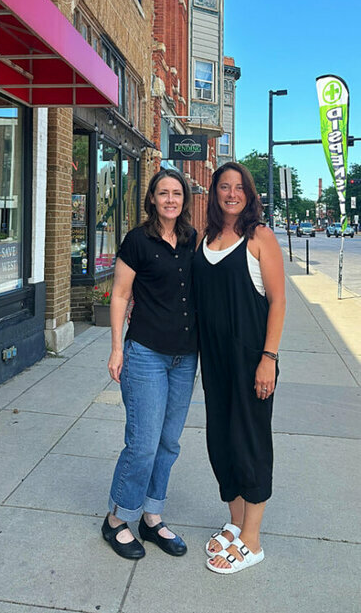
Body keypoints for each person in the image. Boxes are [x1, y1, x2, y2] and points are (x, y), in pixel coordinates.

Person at [193, 161, 286, 574]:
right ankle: (234, 522)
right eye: (224, 187)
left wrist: (268, 359)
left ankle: (253, 538)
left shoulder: (259, 237)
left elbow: (278, 303)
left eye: (239, 188)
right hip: (214, 360)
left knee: (249, 442)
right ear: (214, 193)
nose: (232, 194)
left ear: (249, 195)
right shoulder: (205, 239)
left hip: (251, 359)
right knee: (220, 440)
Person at [102, 169, 198, 560]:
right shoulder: (137, 241)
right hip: (145, 354)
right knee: (142, 443)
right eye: (164, 193)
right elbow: (120, 295)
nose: (171, 199)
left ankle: (152, 516)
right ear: (153, 199)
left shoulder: (193, 240)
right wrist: (116, 349)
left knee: (168, 443)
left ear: (184, 200)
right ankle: (116, 520)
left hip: (185, 357)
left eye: (177, 193)